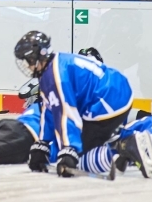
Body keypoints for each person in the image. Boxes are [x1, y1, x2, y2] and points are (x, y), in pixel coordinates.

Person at [14, 30, 133, 177]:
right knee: (74, 143)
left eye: (29, 60)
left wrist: (70, 149)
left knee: (81, 153)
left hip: (109, 99)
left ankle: (126, 147)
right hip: (115, 92)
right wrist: (42, 143)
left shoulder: (57, 75)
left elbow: (66, 113)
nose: (27, 66)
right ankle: (122, 142)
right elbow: (49, 108)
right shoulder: (52, 67)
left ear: (38, 56)